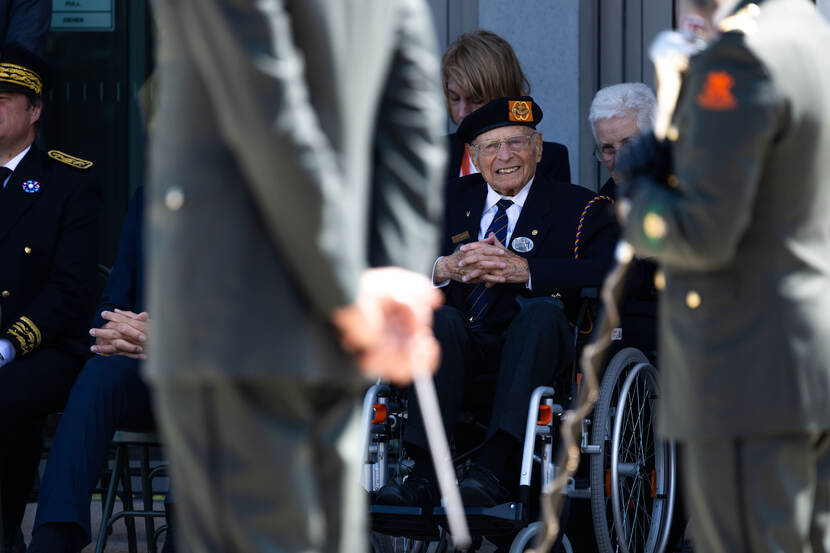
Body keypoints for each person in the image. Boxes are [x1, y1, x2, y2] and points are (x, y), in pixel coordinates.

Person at [145, 2, 446, 553]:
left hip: (240, 314)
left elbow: (268, 115)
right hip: (341, 331)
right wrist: (391, 282)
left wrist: (348, 291)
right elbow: (415, 122)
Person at [617, 1, 830, 551]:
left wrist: (642, 196)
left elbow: (700, 233)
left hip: (744, 370)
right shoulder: (813, 40)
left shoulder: (737, 63)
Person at [376, 96, 617, 509]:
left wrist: (527, 271)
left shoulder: (581, 208)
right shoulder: (445, 201)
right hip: (460, 348)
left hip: (536, 352)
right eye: (490, 146)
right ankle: (423, 472)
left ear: (538, 148)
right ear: (473, 156)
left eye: (517, 143)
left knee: (541, 314)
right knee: (440, 320)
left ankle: (496, 466)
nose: (505, 156)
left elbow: (611, 273)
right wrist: (442, 267)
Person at [26, 187, 176, 553]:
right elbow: (113, 301)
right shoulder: (149, 196)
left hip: (225, 377)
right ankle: (54, 537)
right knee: (99, 375)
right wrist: (116, 332)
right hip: (149, 370)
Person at [0, 44, 101, 551]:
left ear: (34, 110)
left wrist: (7, 345)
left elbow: (71, 289)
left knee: (7, 393)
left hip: (43, 345)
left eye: (4, 97)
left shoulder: (69, 181)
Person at [442, 30, 571, 183]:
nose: (462, 112)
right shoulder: (431, 155)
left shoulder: (550, 160)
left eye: (476, 100)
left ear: (505, 94)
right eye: (454, 98)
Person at [588, 82, 657, 199]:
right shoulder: (602, 206)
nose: (619, 161)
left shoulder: (691, 196)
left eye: (628, 145)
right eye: (609, 150)